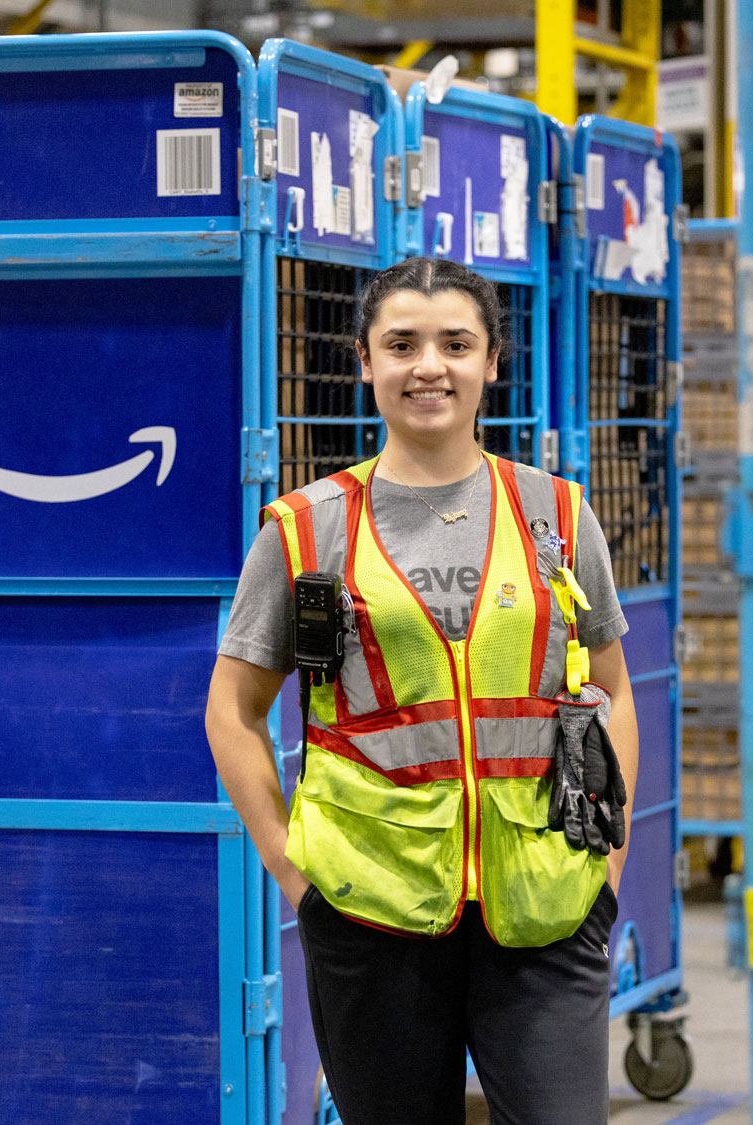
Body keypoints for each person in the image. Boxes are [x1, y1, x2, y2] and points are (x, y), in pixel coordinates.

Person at [205, 256, 638, 1124]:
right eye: (400, 344)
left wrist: (606, 871)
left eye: (455, 343)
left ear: (490, 361)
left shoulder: (555, 512)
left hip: (546, 905)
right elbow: (234, 709)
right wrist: (297, 878)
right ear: (365, 362)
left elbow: (615, 693)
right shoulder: (308, 528)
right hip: (372, 914)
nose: (428, 366)